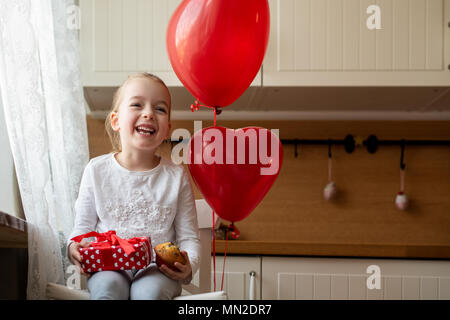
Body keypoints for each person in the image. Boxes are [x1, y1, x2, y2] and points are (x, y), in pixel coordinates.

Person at [67, 73, 200, 300]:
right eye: (137, 104)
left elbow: (189, 238)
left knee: (148, 293)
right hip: (110, 264)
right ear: (116, 120)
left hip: (157, 269)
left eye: (160, 109)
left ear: (167, 129)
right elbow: (82, 231)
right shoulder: (96, 170)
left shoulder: (176, 177)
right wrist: (74, 248)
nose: (148, 113)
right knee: (108, 289)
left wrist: (189, 265)